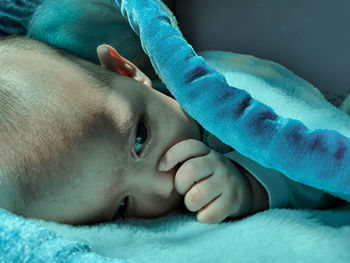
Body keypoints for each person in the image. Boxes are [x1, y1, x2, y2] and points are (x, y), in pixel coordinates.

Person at [0, 36, 338, 225]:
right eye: (121, 207)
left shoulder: (220, 93)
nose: (162, 187)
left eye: (141, 138)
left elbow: (321, 168)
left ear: (126, 71)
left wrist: (248, 182)